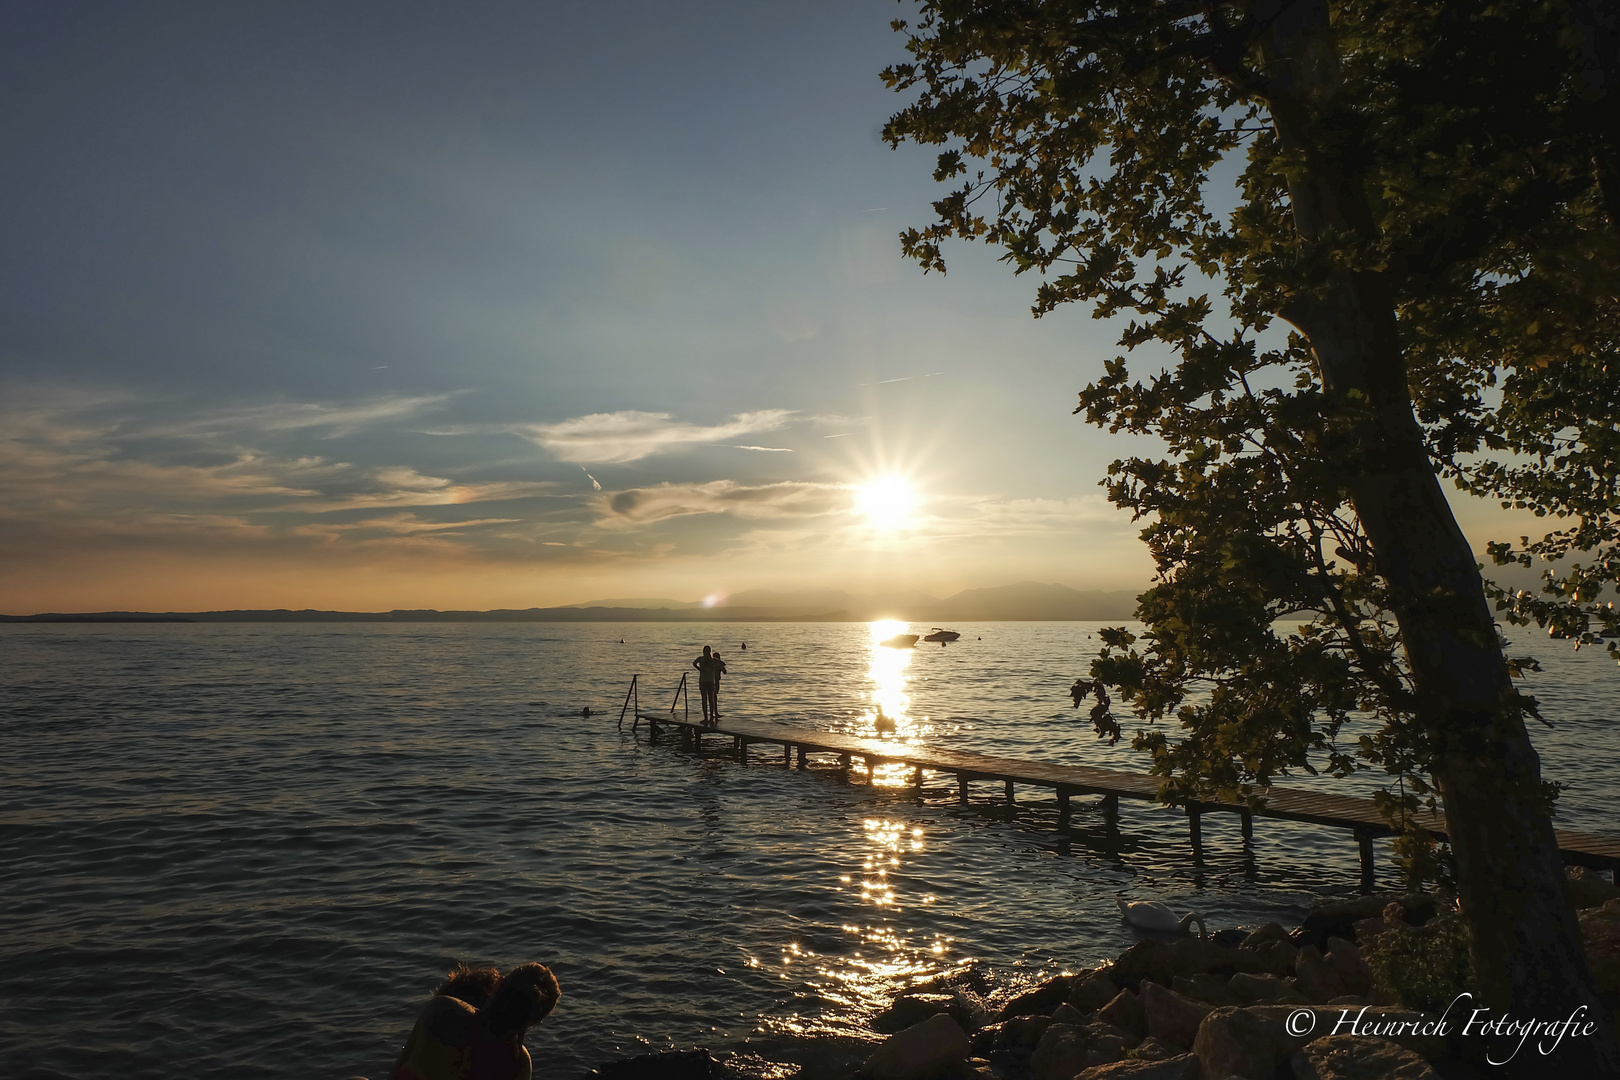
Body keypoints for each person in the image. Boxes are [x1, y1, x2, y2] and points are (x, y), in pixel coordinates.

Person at [389, 962, 560, 1080]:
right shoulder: (519, 1064)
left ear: (498, 985)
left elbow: (398, 1070)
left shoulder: (442, 1010)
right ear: (535, 1021)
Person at [693, 645, 721, 724]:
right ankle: (711, 718)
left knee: (704, 700)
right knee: (711, 700)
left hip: (703, 681)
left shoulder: (701, 659)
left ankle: (706, 718)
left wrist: (699, 669)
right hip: (711, 682)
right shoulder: (713, 660)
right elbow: (722, 663)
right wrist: (714, 668)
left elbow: (694, 663)